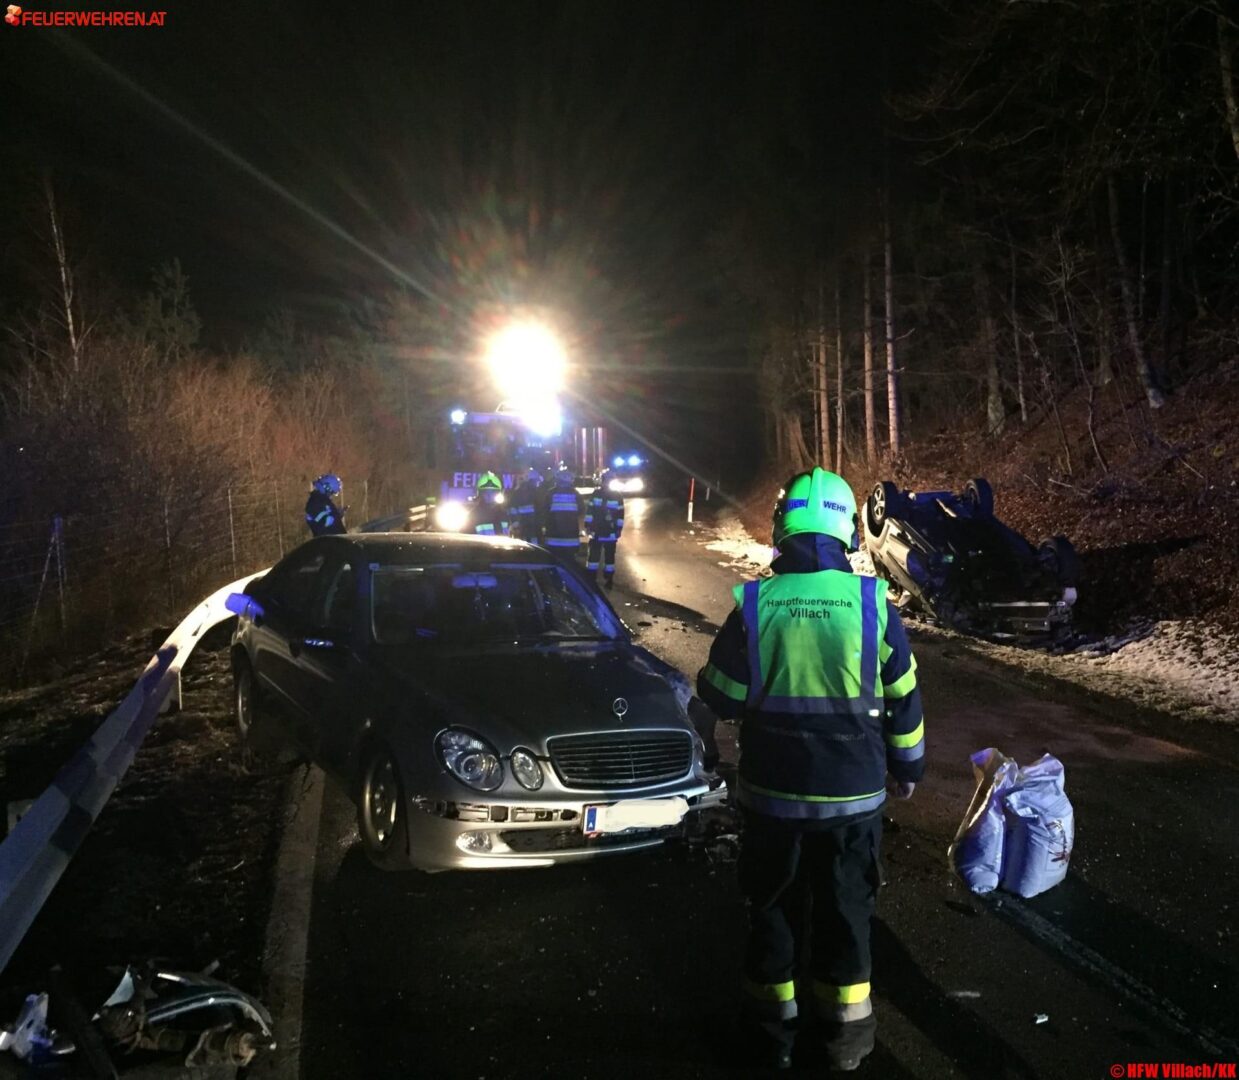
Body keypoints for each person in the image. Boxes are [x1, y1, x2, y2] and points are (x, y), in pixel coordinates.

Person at [695, 467, 925, 1072]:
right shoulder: (873, 604)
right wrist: (909, 767)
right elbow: (903, 698)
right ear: (847, 529)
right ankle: (845, 1042)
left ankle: (771, 1038)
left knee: (772, 910)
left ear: (783, 527)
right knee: (846, 913)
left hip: (773, 799)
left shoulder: (756, 602)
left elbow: (721, 694)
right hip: (853, 801)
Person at [583, 471, 624, 589]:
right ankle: (608, 579)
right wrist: (618, 529)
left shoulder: (597, 494)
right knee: (608, 557)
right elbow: (620, 515)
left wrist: (588, 526)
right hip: (607, 533)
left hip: (598, 532)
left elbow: (590, 511)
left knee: (596, 557)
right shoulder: (617, 496)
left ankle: (593, 579)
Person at [540, 465, 582, 559]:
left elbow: (545, 511)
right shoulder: (575, 493)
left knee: (554, 562)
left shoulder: (550, 493)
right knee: (570, 564)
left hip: (553, 536)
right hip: (571, 537)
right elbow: (581, 511)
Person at [470, 470, 510, 537]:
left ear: (498, 493)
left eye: (493, 492)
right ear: (480, 494)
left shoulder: (503, 513)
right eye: (486, 492)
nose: (489, 495)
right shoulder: (474, 515)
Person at [509, 467, 544, 541]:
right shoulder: (536, 493)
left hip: (522, 531)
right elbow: (539, 512)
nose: (537, 484)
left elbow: (512, 509)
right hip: (533, 531)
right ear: (532, 481)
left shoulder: (517, 492)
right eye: (536, 481)